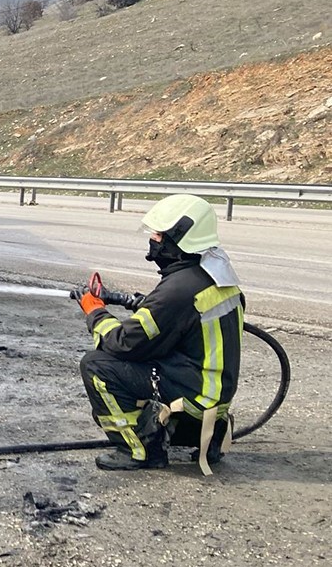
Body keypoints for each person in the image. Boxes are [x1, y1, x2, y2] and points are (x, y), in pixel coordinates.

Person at [78, 194, 245, 471]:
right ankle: (208, 435)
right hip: (214, 402)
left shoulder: (178, 289)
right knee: (146, 364)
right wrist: (128, 300)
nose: (153, 240)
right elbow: (181, 319)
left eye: (158, 235)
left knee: (97, 366)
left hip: (193, 401)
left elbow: (121, 343)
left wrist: (94, 310)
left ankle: (141, 450)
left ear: (179, 238)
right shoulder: (217, 274)